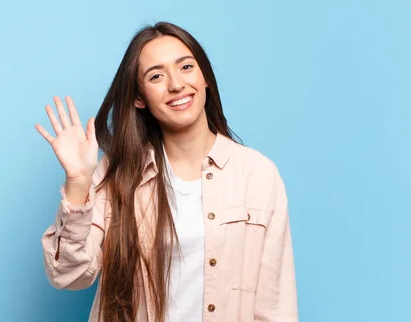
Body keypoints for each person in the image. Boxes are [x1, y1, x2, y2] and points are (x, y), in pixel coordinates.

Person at [36, 21, 297, 322]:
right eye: (156, 75)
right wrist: (78, 184)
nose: (176, 84)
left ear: (205, 77)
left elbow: (274, 306)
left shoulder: (258, 175)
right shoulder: (117, 174)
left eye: (186, 67)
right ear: (139, 97)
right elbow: (68, 275)